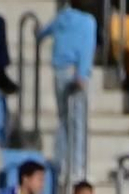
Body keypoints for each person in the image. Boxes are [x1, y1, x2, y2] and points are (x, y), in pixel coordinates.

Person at [39, 0, 95, 182]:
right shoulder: (88, 21)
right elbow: (87, 48)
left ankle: (60, 162)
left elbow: (42, 32)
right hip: (75, 72)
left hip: (59, 72)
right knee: (78, 122)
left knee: (64, 118)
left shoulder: (61, 17)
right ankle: (77, 167)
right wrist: (82, 73)